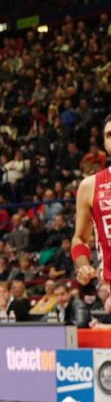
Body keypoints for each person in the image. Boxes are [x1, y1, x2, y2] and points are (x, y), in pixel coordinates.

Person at [72, 113, 111, 297]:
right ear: (104, 144)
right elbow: (79, 239)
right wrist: (84, 265)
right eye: (109, 135)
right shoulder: (90, 186)